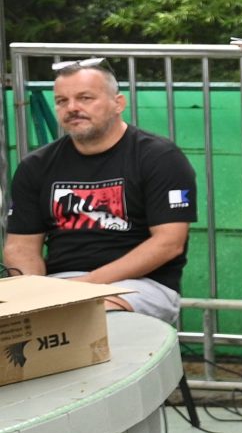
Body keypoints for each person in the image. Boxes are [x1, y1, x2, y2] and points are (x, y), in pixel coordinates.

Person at [3, 61, 198, 324]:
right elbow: (20, 246)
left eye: (85, 98)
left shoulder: (159, 157)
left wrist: (84, 286)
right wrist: (36, 293)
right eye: (62, 101)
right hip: (60, 283)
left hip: (141, 284)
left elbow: (168, 243)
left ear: (118, 103)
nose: (72, 108)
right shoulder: (35, 166)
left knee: (87, 318)